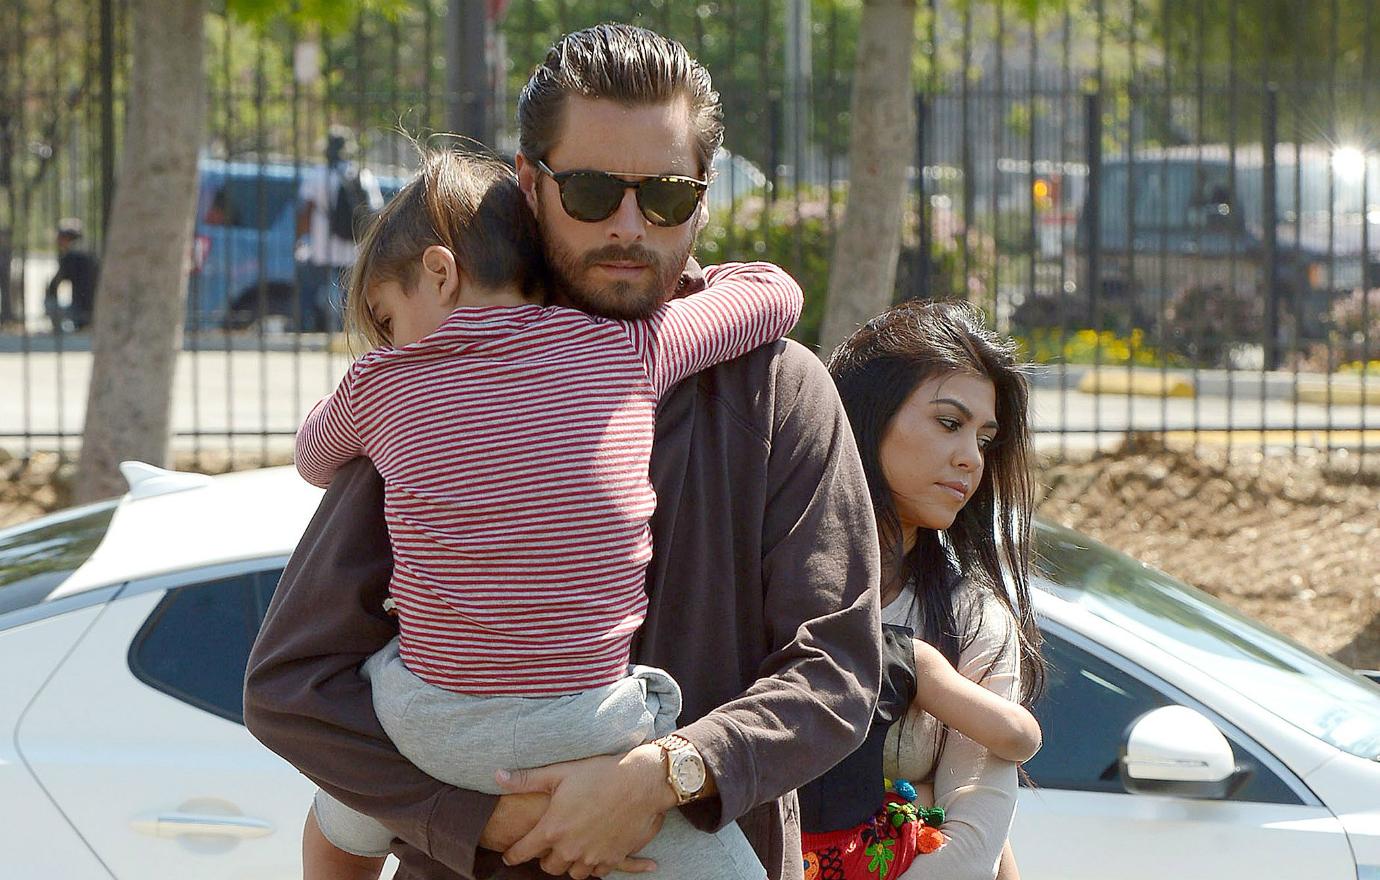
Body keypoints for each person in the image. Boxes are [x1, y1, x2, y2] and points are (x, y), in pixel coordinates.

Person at [244, 23, 883, 880]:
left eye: (663, 194)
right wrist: (484, 817)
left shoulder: (779, 391)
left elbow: (837, 670)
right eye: (589, 190)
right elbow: (296, 681)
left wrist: (662, 778)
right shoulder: (438, 375)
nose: (628, 225)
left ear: (702, 194)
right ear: (527, 182)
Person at [295, 143, 802, 880]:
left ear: (439, 273)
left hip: (424, 729)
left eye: (385, 315)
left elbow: (312, 458)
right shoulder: (627, 348)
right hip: (592, 738)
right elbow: (775, 291)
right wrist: (693, 283)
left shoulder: (380, 384)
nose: (385, 341)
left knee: (344, 779)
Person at [824, 300, 1048, 880]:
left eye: (985, 437)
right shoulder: (768, 584)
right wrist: (914, 800)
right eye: (950, 423)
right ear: (868, 416)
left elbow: (969, 853)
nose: (971, 458)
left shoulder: (975, 621)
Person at [295, 126, 383, 332]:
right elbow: (375, 212)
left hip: (321, 246)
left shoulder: (316, 175)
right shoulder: (363, 175)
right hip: (353, 247)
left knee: (315, 289)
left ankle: (313, 328)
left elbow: (305, 212)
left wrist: (298, 239)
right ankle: (348, 331)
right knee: (349, 294)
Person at [45, 218, 99, 333]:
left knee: (50, 303)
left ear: (66, 239)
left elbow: (54, 285)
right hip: (96, 307)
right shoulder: (91, 253)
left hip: (79, 309)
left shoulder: (71, 256)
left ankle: (59, 332)